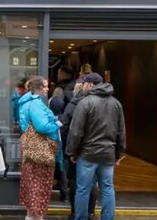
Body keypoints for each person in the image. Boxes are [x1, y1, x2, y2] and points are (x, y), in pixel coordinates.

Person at [66, 72, 126, 220]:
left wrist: (72, 152)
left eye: (85, 83)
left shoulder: (85, 102)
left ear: (91, 85)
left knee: (83, 189)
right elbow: (121, 131)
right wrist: (118, 153)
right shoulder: (116, 103)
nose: (83, 86)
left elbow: (76, 131)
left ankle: (80, 217)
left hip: (88, 154)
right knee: (107, 188)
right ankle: (107, 217)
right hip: (107, 154)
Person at [18, 76, 62, 220]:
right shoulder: (36, 104)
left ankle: (31, 216)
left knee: (31, 184)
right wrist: (57, 124)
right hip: (40, 149)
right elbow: (42, 126)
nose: (47, 89)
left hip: (31, 148)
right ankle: (35, 217)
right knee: (40, 185)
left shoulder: (26, 103)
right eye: (44, 86)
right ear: (37, 88)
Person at [59, 87, 97, 220]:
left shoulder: (73, 105)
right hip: (95, 148)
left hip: (79, 149)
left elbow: (67, 128)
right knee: (94, 182)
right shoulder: (101, 104)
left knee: (76, 181)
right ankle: (91, 212)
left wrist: (69, 150)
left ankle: (76, 212)